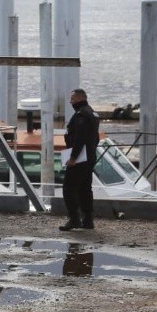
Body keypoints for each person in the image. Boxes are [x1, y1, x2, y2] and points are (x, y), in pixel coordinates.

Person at [60, 88, 100, 231]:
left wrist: (73, 157)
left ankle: (74, 219)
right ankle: (88, 220)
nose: (71, 102)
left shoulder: (81, 115)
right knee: (85, 188)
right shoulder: (93, 113)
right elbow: (96, 138)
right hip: (90, 157)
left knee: (68, 188)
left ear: (77, 99)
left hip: (80, 158)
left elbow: (79, 138)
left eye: (72, 99)